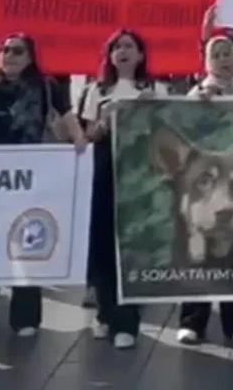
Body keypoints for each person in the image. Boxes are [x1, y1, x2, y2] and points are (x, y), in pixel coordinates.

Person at [0, 33, 88, 340]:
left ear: (30, 57)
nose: (9, 56)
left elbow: (67, 117)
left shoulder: (46, 87)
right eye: (5, 50)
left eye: (17, 51)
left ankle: (25, 317)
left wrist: (78, 140)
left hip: (31, 180)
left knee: (26, 247)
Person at [81, 30, 167, 349]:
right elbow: (89, 134)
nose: (123, 51)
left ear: (141, 55)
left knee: (131, 248)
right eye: (117, 47)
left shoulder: (155, 89)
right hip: (106, 171)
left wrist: (151, 109)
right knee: (103, 244)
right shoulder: (97, 90)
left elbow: (167, 131)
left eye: (129, 46)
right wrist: (103, 121)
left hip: (139, 172)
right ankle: (104, 313)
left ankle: (127, 322)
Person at [177, 37, 233, 344]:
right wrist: (200, 104)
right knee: (198, 255)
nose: (224, 59)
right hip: (204, 189)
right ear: (207, 62)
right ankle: (192, 321)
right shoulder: (196, 93)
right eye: (217, 54)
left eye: (228, 53)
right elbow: (183, 129)